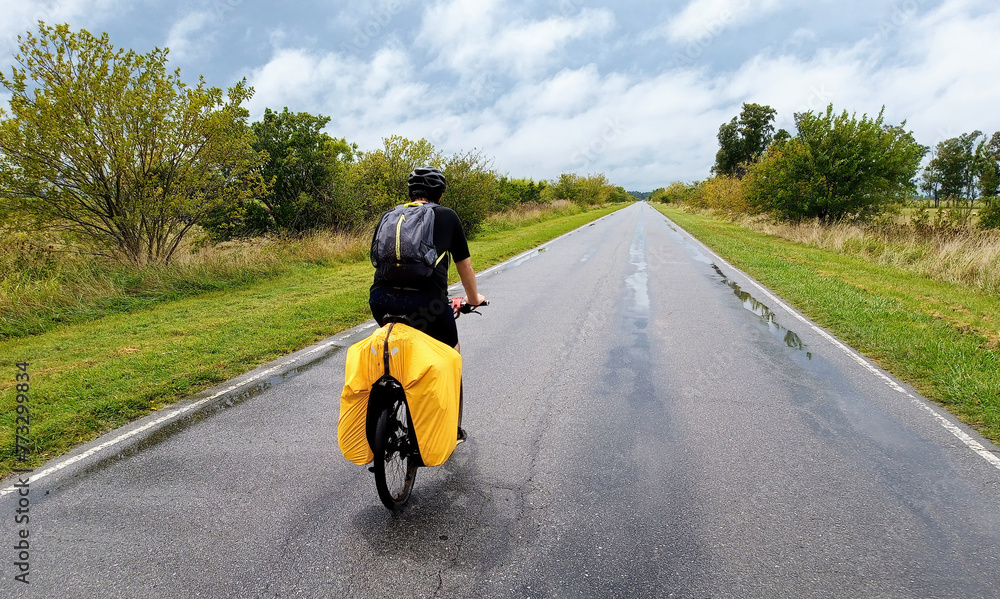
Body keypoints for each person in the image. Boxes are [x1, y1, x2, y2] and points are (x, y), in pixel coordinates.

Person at [369, 166, 486, 442]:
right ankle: (450, 430)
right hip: (428, 306)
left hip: (381, 301)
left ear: (411, 193)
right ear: (440, 195)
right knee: (452, 356)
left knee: (397, 346)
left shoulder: (390, 216)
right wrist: (472, 299)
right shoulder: (446, 216)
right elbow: (464, 266)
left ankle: (391, 397)